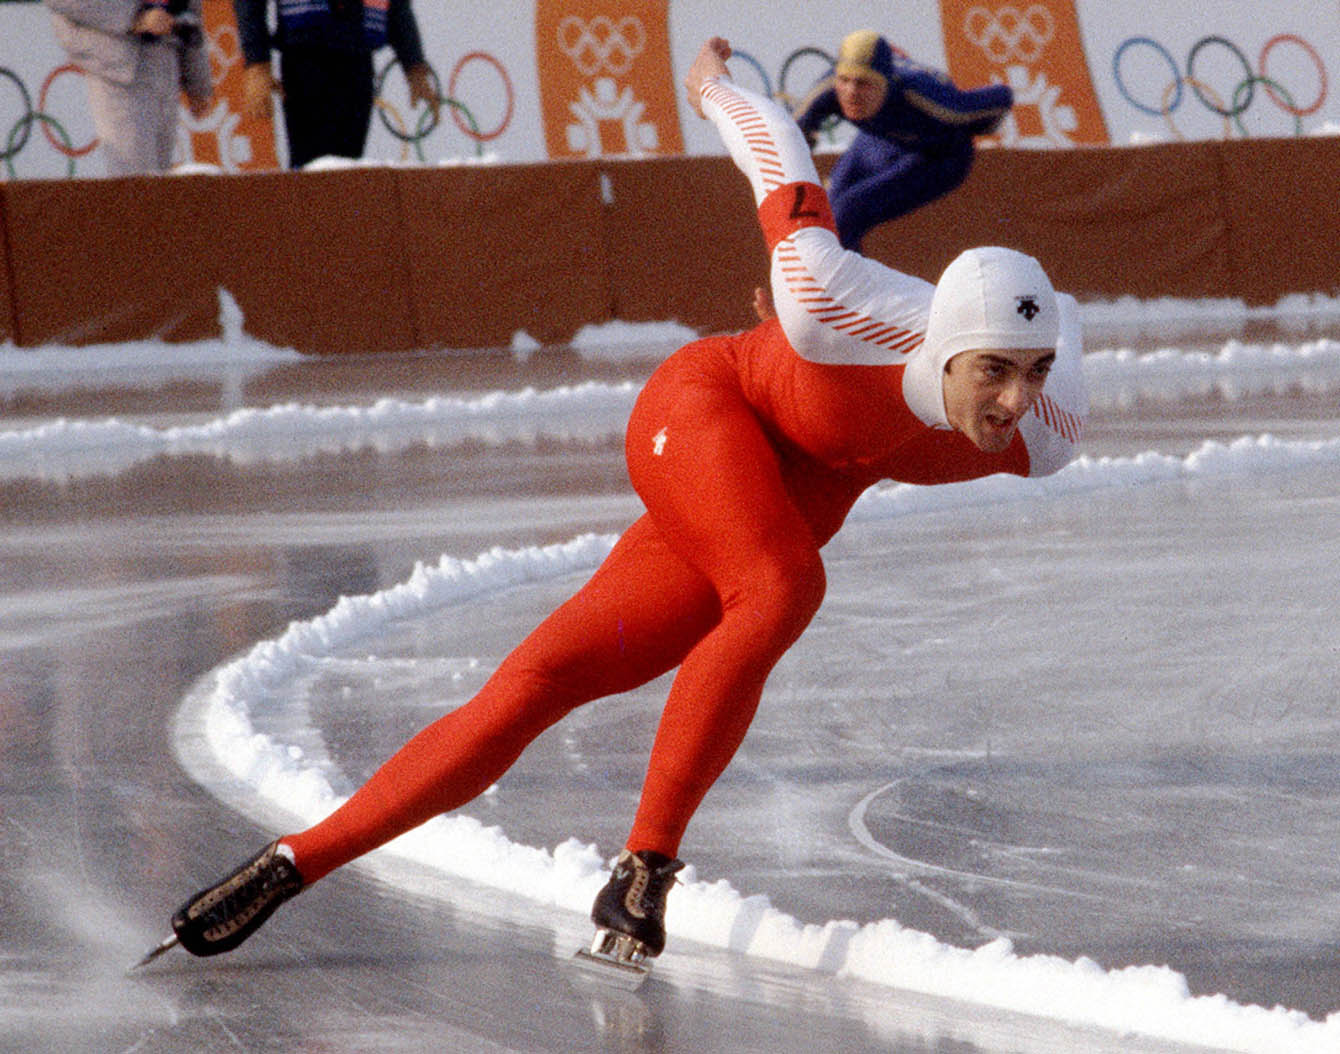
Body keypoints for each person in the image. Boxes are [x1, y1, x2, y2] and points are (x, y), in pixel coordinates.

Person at [145, 36, 1086, 973]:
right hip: (707, 412)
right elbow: (780, 157)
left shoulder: (1042, 433)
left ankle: (290, 863)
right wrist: (715, 82)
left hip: (786, 490)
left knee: (541, 682)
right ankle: (644, 871)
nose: (1009, 400)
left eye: (1033, 372)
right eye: (992, 371)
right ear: (941, 350)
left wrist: (1036, 371)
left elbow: (1041, 369)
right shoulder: (827, 298)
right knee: (781, 584)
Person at [792, 29, 1013, 251]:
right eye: (844, 80)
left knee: (847, 213)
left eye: (864, 83)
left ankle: (853, 284)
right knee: (826, 213)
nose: (851, 92)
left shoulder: (928, 99)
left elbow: (1002, 97)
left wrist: (983, 128)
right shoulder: (829, 89)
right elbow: (792, 132)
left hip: (938, 157)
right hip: (880, 140)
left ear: (886, 85)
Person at [231, 0, 440, 169]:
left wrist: (414, 65)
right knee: (311, 170)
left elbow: (398, 6)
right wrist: (256, 63)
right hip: (305, 57)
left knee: (348, 169)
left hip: (357, 57)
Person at [44, 0, 213, 176]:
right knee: (135, 181)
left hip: (167, 55)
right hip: (117, 62)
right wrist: (133, 17)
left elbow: (190, 10)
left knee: (161, 183)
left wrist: (198, 80)